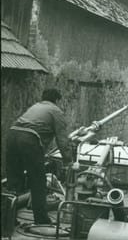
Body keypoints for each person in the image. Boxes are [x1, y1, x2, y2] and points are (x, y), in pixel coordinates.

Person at [6, 88, 73, 225]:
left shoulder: (35, 107)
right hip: (29, 139)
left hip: (12, 135)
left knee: (14, 181)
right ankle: (41, 220)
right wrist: (68, 161)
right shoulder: (55, 111)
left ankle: (7, 218)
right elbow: (62, 140)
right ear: (57, 100)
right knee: (38, 181)